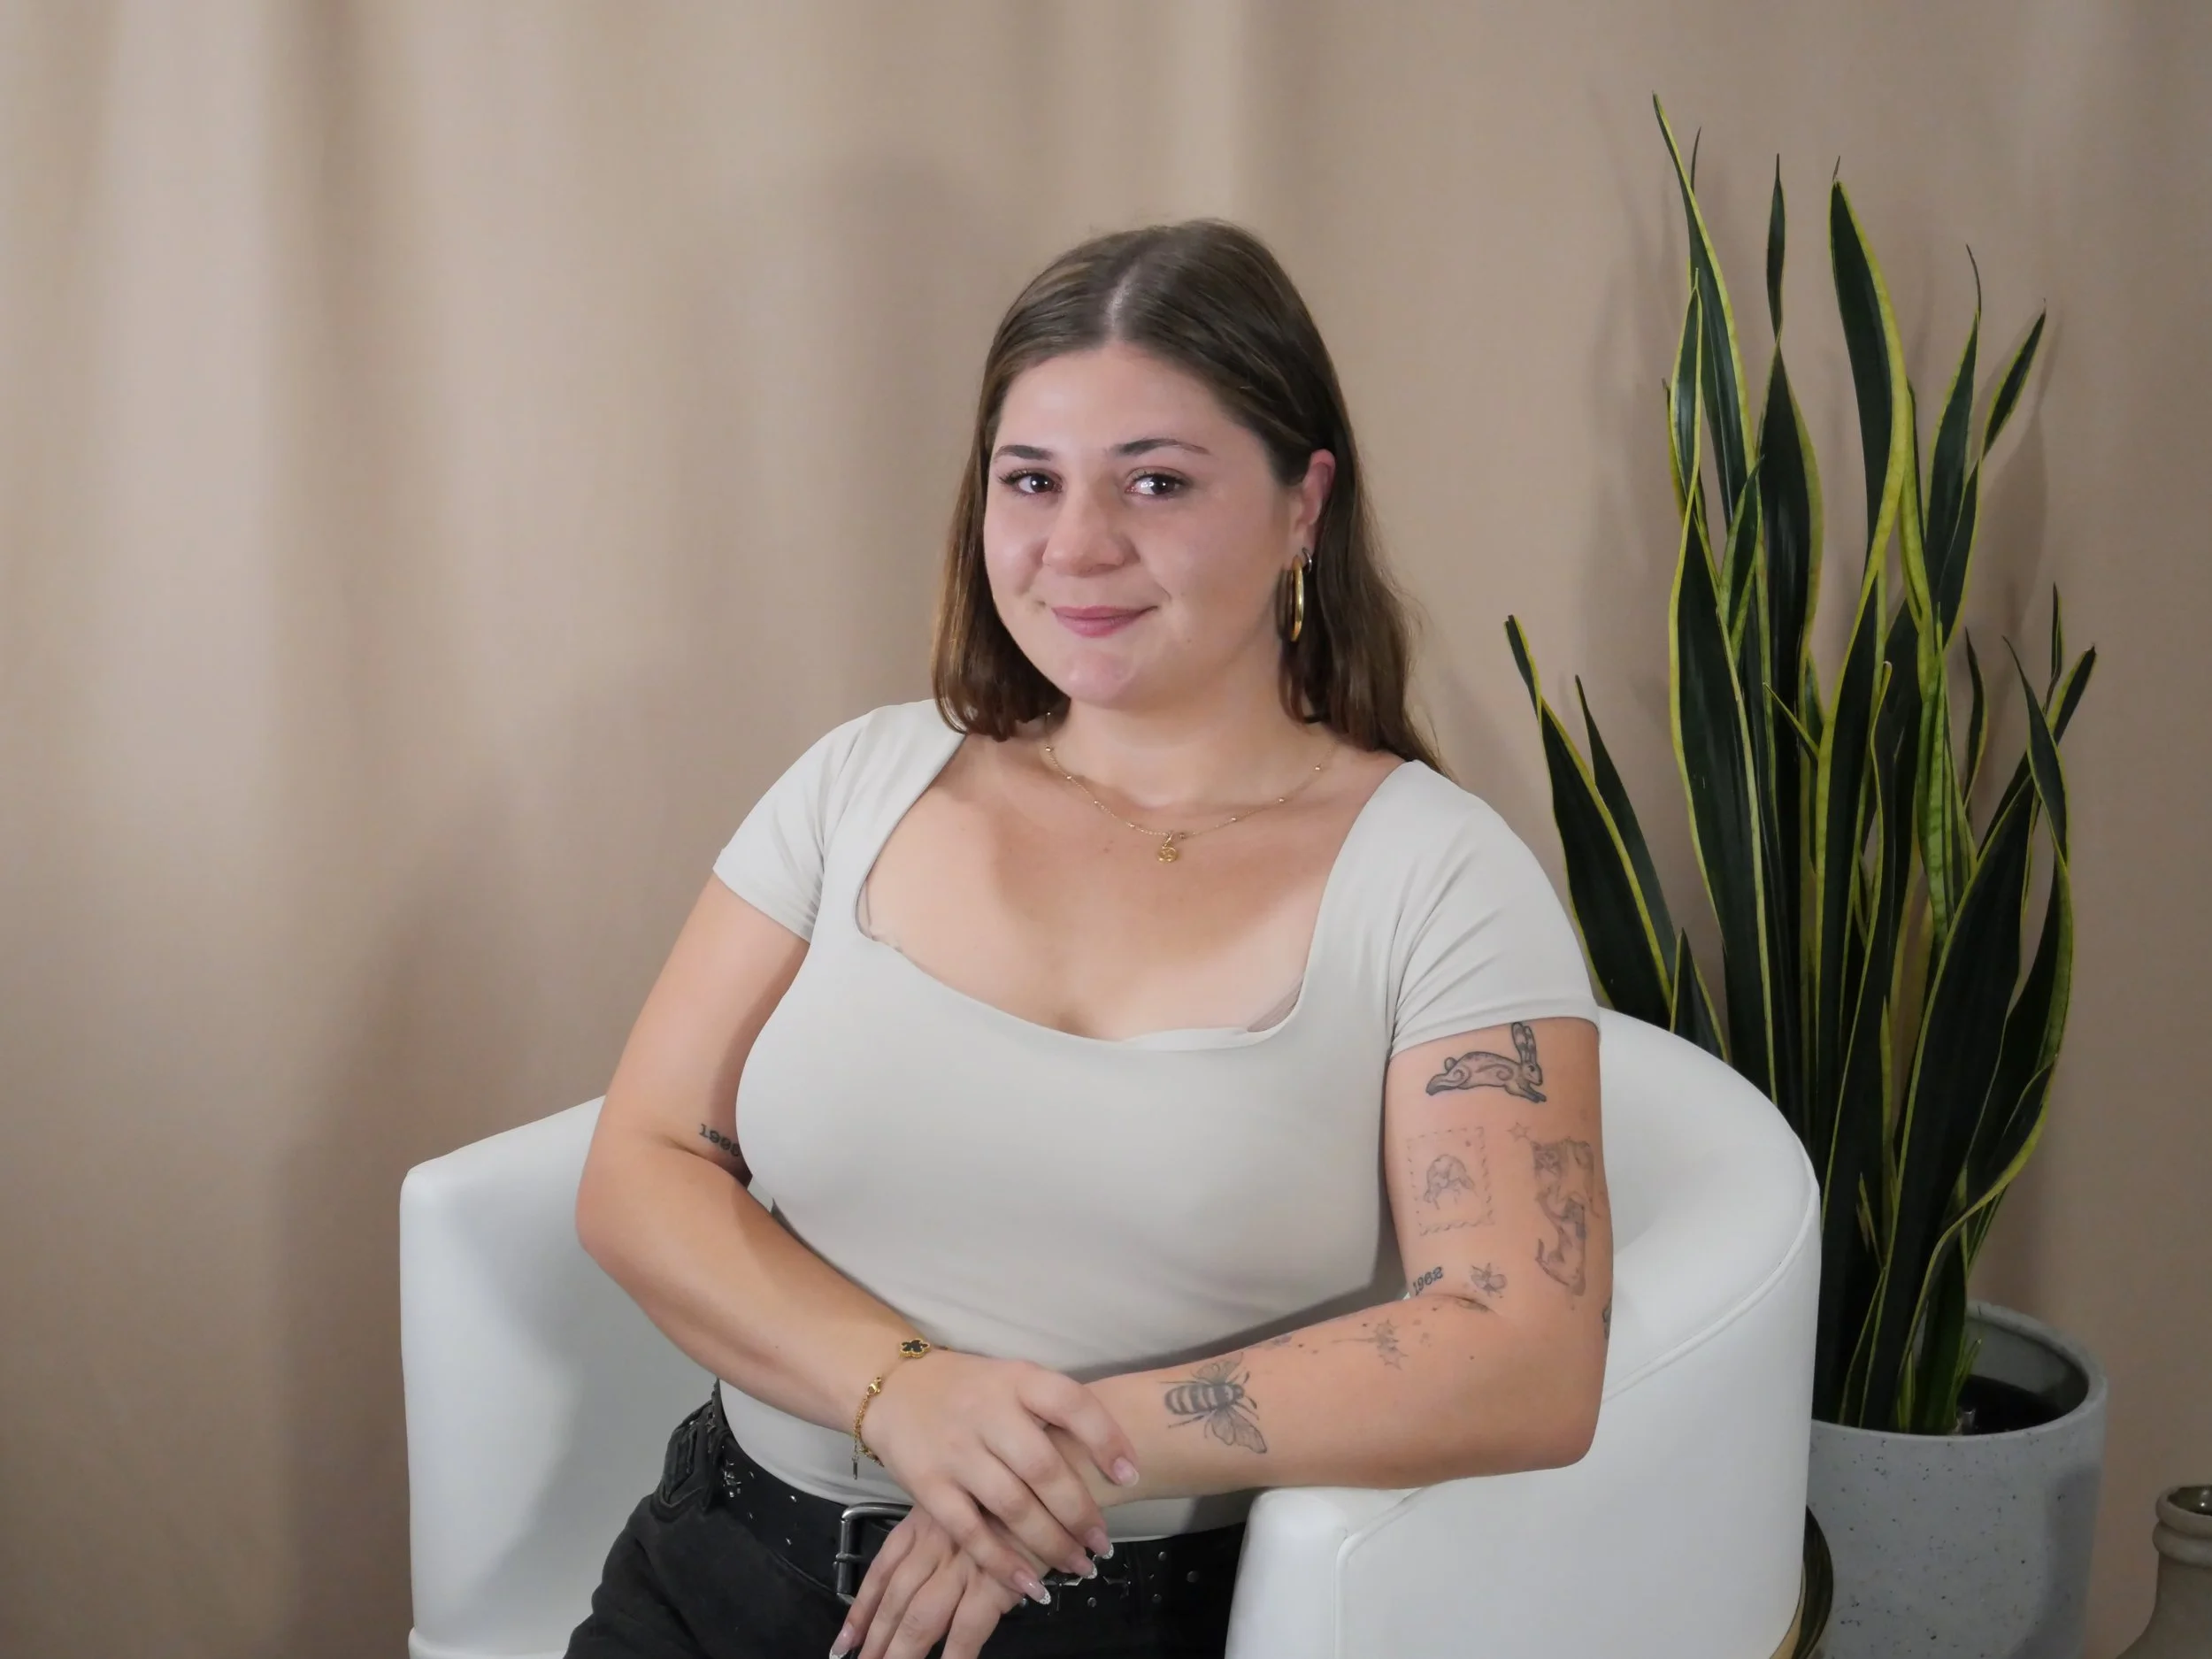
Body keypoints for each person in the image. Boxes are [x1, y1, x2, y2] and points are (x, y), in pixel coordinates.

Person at [564, 218, 1609, 1659]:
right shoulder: (864, 777)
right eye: (1031, 480)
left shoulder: (1439, 877)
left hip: (1126, 1615)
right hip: (723, 1558)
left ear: (1306, 504)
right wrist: (905, 1390)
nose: (1077, 547)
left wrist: (1057, 1452)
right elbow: (640, 1166)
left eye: (1158, 482)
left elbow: (1523, 1349)